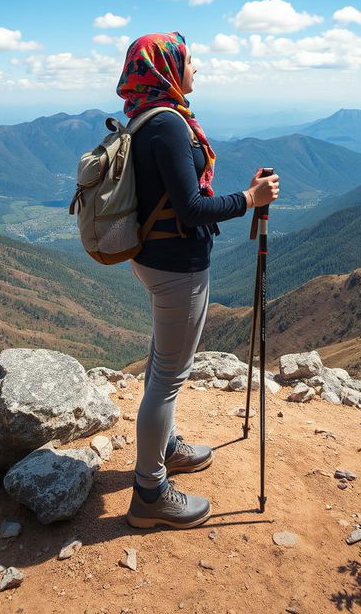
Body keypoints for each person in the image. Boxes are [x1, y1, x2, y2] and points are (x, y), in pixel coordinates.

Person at [116, 31, 279, 529]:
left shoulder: (145, 117)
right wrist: (251, 199)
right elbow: (191, 208)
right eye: (189, 61)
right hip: (176, 266)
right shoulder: (167, 124)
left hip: (151, 257)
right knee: (167, 377)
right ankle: (150, 492)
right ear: (167, 66)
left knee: (160, 364)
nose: (196, 69)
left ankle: (164, 447)